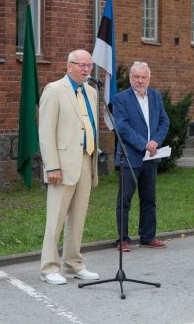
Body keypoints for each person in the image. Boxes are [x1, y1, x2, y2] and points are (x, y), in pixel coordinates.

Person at [38, 49, 100, 285]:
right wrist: (51, 165)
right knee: (56, 217)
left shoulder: (92, 92)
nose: (86, 69)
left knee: (78, 216)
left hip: (86, 159)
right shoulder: (54, 90)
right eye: (81, 65)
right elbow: (45, 132)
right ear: (69, 66)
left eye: (89, 65)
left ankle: (74, 263)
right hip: (62, 164)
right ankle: (49, 267)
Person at [113, 61, 170, 252]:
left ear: (148, 78)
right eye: (136, 77)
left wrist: (155, 140)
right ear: (130, 78)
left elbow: (164, 121)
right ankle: (123, 239)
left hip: (151, 157)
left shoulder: (155, 96)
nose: (139, 80)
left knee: (149, 198)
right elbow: (122, 127)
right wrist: (143, 144)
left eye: (143, 77)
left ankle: (147, 236)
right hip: (129, 157)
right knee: (125, 200)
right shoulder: (120, 99)